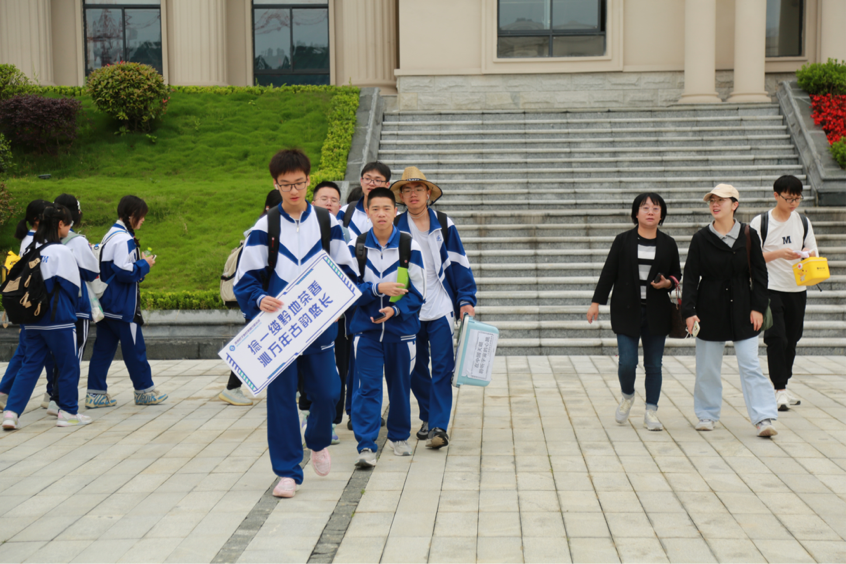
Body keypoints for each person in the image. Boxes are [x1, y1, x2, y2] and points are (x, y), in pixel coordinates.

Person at [234, 149, 357, 499]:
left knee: (329, 393)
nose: (293, 190)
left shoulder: (327, 222)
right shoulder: (265, 227)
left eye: (299, 183)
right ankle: (287, 471)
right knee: (282, 399)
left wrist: (338, 302)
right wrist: (259, 299)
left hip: (318, 326)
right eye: (285, 184)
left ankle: (317, 441)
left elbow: (346, 270)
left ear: (308, 179)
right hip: (279, 330)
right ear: (275, 184)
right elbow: (246, 280)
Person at [682, 184, 778, 437]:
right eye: (712, 200)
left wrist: (758, 307)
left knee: (750, 365)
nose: (715, 204)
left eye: (721, 200)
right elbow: (690, 277)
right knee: (707, 367)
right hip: (709, 307)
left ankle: (763, 418)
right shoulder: (701, 238)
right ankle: (706, 414)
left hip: (743, 308)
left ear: (734, 204)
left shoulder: (748, 234)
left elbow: (760, 274)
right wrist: (689, 312)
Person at [393, 167, 477, 448]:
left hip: (441, 305)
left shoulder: (444, 222)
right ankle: (428, 414)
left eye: (418, 189)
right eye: (407, 190)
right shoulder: (395, 226)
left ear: (428, 193)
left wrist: (466, 299)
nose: (413, 194)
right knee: (415, 367)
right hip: (410, 307)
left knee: (443, 366)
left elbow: (459, 261)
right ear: (402, 196)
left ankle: (439, 426)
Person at [587, 193, 681, 431]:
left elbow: (676, 276)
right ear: (636, 213)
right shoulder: (623, 241)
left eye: (656, 208)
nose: (650, 212)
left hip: (656, 313)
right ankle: (628, 396)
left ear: (662, 215)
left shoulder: (668, 243)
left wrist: (667, 284)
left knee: (654, 365)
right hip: (626, 311)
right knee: (627, 363)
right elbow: (608, 273)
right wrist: (596, 302)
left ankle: (651, 411)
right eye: (645, 207)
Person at [346, 187, 426, 467]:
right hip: (366, 332)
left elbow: (418, 294)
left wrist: (395, 309)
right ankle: (366, 445)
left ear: (396, 211)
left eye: (386, 208)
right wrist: (375, 288)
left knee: (400, 385)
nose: (381, 214)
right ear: (367, 212)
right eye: (375, 209)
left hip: (401, 333)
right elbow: (346, 290)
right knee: (366, 388)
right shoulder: (355, 247)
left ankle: (399, 437)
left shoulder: (409, 246)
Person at [2, 205, 91, 429]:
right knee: (68, 364)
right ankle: (68, 412)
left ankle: (11, 413)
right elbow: (73, 288)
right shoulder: (62, 251)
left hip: (31, 321)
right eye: (68, 224)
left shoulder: (32, 248)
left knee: (29, 366)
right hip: (58, 320)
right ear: (59, 225)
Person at [86, 196, 167, 408]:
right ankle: (144, 391)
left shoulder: (110, 234)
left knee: (102, 351)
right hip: (122, 308)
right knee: (135, 350)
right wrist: (145, 265)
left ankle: (95, 394)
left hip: (107, 306)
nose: (143, 221)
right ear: (131, 216)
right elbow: (124, 271)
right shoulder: (124, 239)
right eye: (141, 217)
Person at [750, 175, 817, 411]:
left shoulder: (803, 222)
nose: (794, 203)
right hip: (770, 289)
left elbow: (814, 254)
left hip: (797, 289)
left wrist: (804, 254)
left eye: (797, 198)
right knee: (776, 338)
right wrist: (779, 253)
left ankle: (782, 385)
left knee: (792, 338)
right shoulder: (761, 222)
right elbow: (752, 257)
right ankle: (779, 389)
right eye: (789, 198)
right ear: (776, 195)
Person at [219, 189, 283, 406]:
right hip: (260, 300)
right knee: (253, 346)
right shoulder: (263, 231)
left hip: (263, 299)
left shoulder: (271, 228)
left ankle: (295, 388)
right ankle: (232, 388)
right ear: (268, 207)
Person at [43, 194, 100, 416]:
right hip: (75, 307)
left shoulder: (43, 241)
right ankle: (61, 402)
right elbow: (92, 271)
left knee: (56, 356)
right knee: (73, 357)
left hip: (49, 308)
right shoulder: (76, 241)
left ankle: (52, 396)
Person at [301, 180, 348, 444]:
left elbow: (348, 271)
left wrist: (340, 304)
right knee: (304, 371)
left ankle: (327, 421)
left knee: (334, 370)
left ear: (339, 205)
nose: (329, 203)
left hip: (334, 314)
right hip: (302, 312)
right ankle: (309, 414)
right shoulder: (302, 228)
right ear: (313, 201)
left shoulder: (341, 231)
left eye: (333, 199)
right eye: (323, 198)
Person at [0, 199, 55, 411]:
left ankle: (8, 392)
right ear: (37, 219)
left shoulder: (29, 238)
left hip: (29, 302)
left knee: (31, 349)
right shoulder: (38, 240)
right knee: (34, 350)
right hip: (35, 303)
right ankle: (50, 394)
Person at [339, 162, 391, 238]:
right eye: (367, 178)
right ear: (361, 181)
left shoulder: (394, 216)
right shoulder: (345, 211)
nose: (371, 183)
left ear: (387, 185)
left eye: (377, 180)